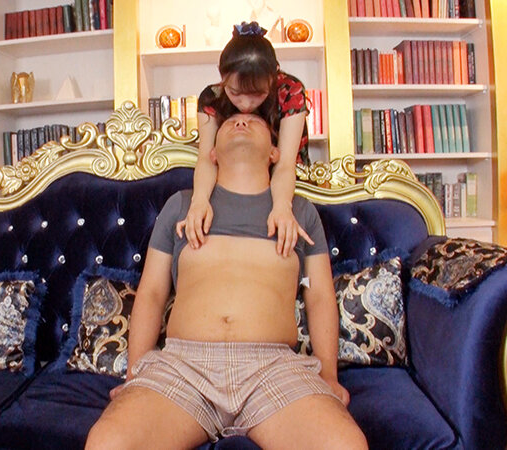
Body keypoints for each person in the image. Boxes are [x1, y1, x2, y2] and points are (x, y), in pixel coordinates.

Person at [84, 113, 368, 449]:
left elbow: (318, 295)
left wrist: (329, 376)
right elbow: (153, 293)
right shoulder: (182, 206)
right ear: (213, 152)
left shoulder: (299, 212)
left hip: (274, 369)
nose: (241, 123)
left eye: (254, 121)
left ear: (275, 152)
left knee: (346, 446)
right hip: (183, 367)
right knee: (107, 444)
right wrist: (135, 373)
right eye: (231, 121)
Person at [178, 21, 313, 260]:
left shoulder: (289, 90)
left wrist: (282, 206)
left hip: (284, 179)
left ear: (273, 76)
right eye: (236, 93)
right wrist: (199, 201)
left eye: (257, 94)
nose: (246, 105)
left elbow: (285, 163)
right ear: (222, 76)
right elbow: (207, 159)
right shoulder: (212, 97)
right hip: (231, 182)